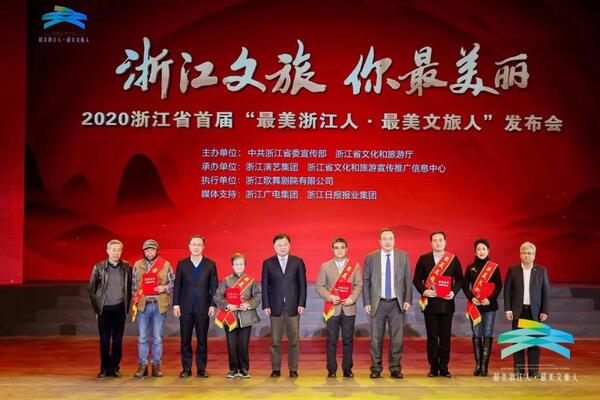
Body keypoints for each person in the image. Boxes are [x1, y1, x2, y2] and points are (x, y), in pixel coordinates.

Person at [362, 228, 412, 379]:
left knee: (397, 339)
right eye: (384, 239)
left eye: (390, 238)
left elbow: (407, 280)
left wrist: (407, 299)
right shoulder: (371, 257)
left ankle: (395, 368)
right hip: (378, 303)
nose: (387, 241)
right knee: (376, 339)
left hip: (397, 304)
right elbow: (366, 281)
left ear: (394, 240)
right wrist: (367, 301)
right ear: (379, 241)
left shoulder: (403, 256)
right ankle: (376, 368)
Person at [413, 231, 463, 378]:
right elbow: (416, 279)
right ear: (431, 243)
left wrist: (453, 292)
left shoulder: (452, 259)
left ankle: (444, 367)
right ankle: (433, 367)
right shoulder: (424, 259)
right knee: (432, 338)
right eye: (435, 240)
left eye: (440, 240)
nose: (438, 243)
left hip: (447, 304)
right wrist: (424, 291)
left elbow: (460, 279)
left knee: (445, 338)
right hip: (430, 304)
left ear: (445, 242)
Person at [315, 238, 363, 378]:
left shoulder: (354, 266)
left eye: (342, 247)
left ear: (346, 249)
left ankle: (347, 369)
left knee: (348, 340)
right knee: (331, 340)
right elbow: (320, 286)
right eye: (336, 247)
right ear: (332, 250)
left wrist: (352, 298)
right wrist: (330, 296)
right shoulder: (325, 266)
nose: (339, 250)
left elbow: (358, 285)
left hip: (349, 308)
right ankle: (331, 370)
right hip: (332, 308)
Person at [261, 233, 307, 378]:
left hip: (293, 306)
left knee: (294, 340)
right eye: (279, 245)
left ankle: (293, 369)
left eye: (285, 244)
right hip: (275, 306)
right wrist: (266, 305)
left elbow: (302, 285)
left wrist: (301, 303)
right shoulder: (268, 263)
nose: (282, 247)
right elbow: (264, 286)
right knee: (275, 340)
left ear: (289, 245)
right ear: (274, 247)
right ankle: (276, 369)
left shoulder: (297, 262)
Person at [173, 235, 218, 378]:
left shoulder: (210, 264)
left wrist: (213, 304)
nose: (196, 247)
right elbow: (177, 285)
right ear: (189, 246)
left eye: (199, 244)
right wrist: (176, 304)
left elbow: (214, 286)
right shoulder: (182, 264)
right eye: (193, 244)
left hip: (203, 307)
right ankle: (186, 368)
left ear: (203, 247)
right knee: (185, 339)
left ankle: (201, 369)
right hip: (185, 307)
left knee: (202, 339)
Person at [504, 241, 550, 379]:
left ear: (534, 255)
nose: (526, 255)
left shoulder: (541, 271)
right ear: (520, 254)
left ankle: (533, 371)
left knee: (534, 342)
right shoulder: (513, 270)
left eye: (529, 253)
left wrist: (545, 310)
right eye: (524, 253)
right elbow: (507, 291)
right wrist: (508, 309)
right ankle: (519, 371)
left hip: (534, 312)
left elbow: (546, 292)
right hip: (518, 311)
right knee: (518, 342)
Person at [214, 253, 262, 378]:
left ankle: (244, 369)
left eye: (241, 264)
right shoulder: (226, 280)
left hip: (246, 316)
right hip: (230, 316)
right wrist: (227, 305)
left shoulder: (251, 281)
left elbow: (258, 296)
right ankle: (233, 369)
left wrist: (249, 304)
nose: (239, 266)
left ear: (245, 265)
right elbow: (217, 296)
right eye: (236, 264)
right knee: (231, 344)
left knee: (243, 344)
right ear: (232, 266)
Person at [131, 239, 175, 378]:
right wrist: (135, 301)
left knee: (157, 338)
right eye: (147, 250)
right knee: (142, 338)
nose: (149, 252)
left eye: (152, 250)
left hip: (158, 305)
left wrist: (164, 288)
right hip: (143, 306)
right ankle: (142, 366)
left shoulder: (165, 264)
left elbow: (174, 282)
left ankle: (156, 366)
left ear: (156, 251)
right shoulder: (137, 265)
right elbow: (133, 286)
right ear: (144, 252)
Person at [88, 239, 132, 378]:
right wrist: (97, 309)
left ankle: (114, 368)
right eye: (113, 250)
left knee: (118, 340)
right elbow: (92, 289)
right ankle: (104, 368)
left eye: (118, 250)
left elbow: (129, 287)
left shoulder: (127, 267)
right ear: (107, 251)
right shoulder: (99, 267)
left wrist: (126, 306)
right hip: (105, 309)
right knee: (105, 340)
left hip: (119, 308)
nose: (116, 253)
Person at [462, 238, 503, 377]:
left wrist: (490, 299)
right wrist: (471, 297)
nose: (481, 251)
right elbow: (464, 285)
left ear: (488, 251)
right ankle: (478, 364)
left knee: (488, 333)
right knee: (476, 333)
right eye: (478, 249)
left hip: (489, 305)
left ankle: (485, 365)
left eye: (484, 249)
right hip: (475, 305)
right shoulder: (470, 267)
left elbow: (498, 286)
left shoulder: (494, 267)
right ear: (475, 251)